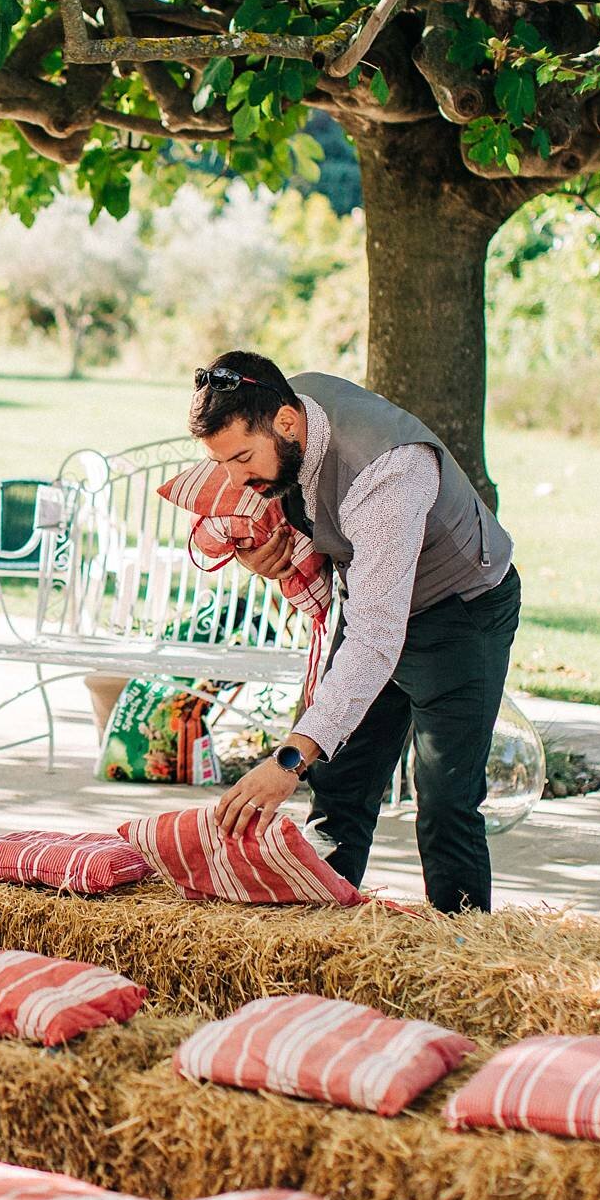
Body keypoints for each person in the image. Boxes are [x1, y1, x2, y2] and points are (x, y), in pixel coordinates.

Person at [192, 350, 520, 912]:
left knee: (445, 800)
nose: (236, 481)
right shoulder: (283, 408)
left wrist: (289, 759)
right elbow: (354, 584)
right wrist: (271, 555)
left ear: (288, 423)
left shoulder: (388, 471)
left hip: (459, 613)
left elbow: (375, 640)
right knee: (341, 784)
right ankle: (326, 932)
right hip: (375, 606)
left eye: (242, 460)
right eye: (224, 465)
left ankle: (463, 951)